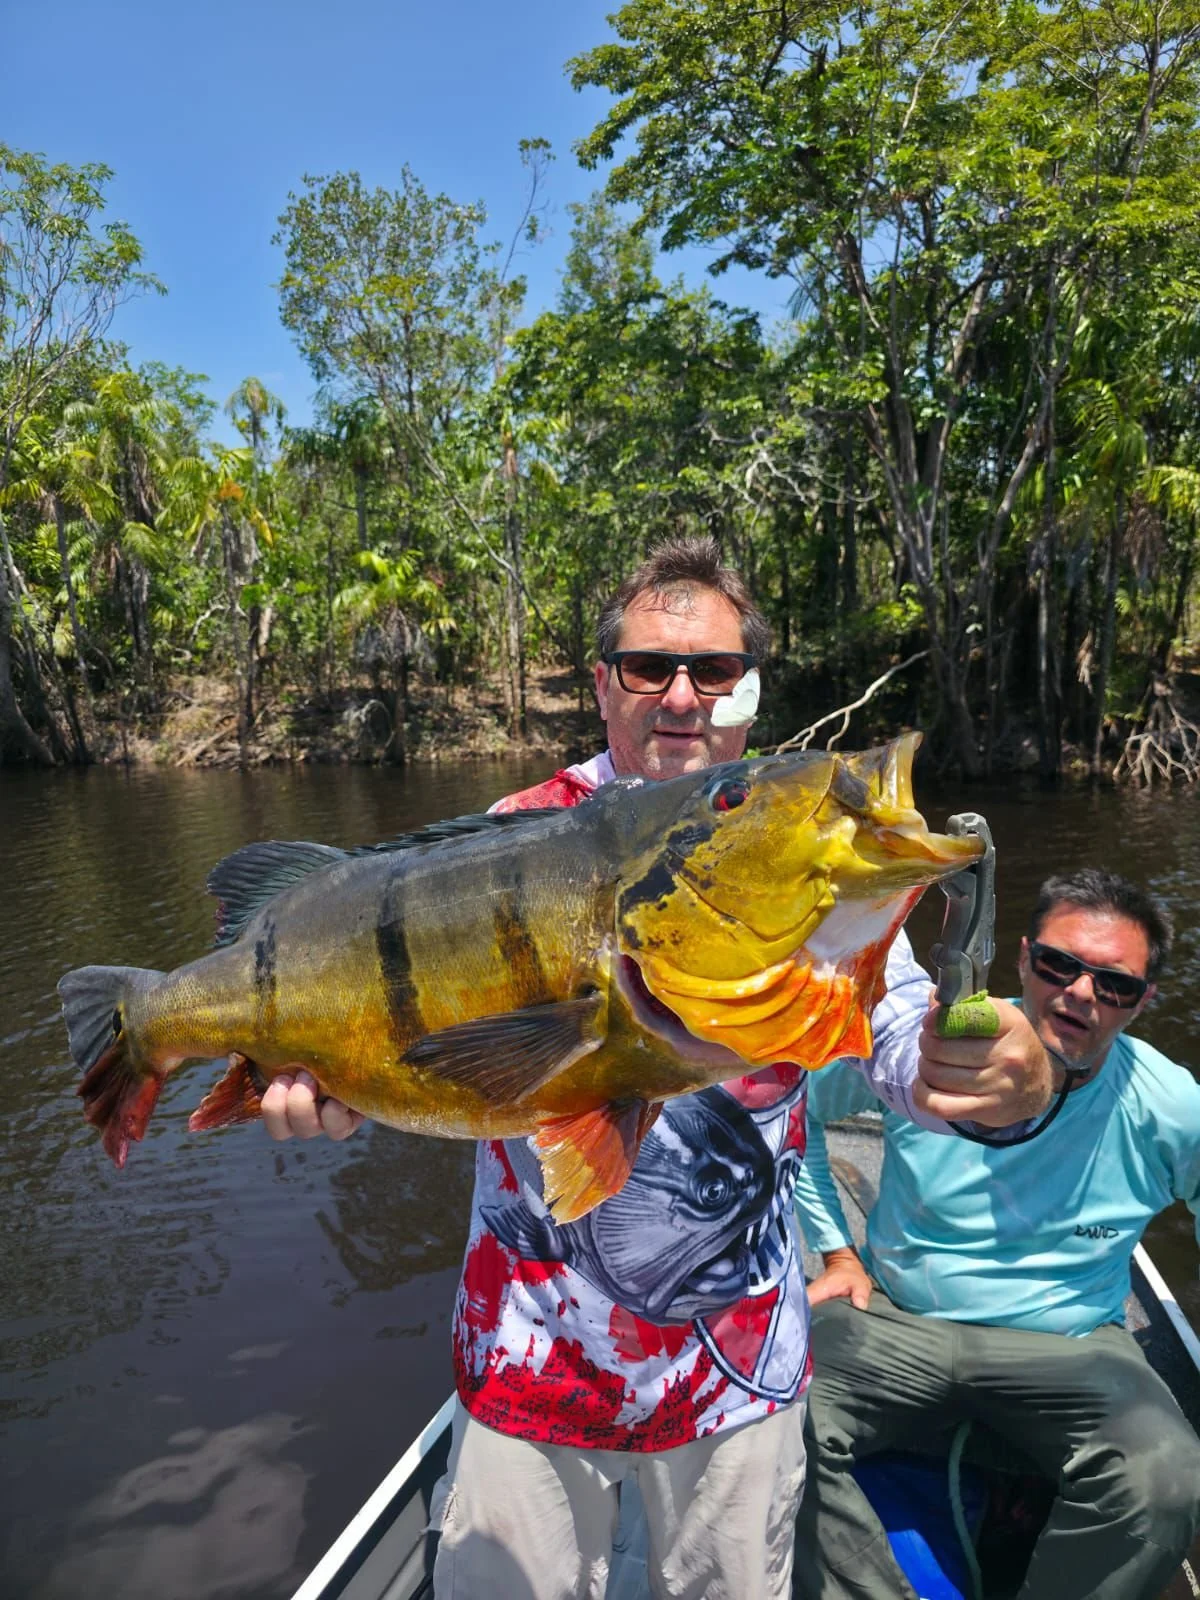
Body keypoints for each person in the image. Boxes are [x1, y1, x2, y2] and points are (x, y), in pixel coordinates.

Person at [262, 536, 1054, 1600]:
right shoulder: (515, 833)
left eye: (715, 670)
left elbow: (902, 1036)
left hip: (738, 1367)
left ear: (749, 690)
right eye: (649, 667)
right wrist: (347, 1091)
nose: (682, 695)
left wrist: (997, 1078)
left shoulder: (812, 846)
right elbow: (419, 1043)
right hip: (525, 1352)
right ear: (604, 684)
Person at [792, 867, 1200, 1600]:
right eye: (1060, 965)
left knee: (1167, 1479)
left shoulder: (1170, 1105)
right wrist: (837, 1251)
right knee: (764, 1413)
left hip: (1072, 1342)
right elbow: (799, 1114)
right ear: (1022, 958)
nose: (1080, 993)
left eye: (1114, 985)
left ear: (1143, 1002)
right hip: (897, 1317)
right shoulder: (936, 1043)